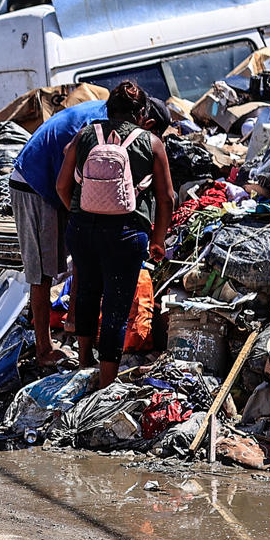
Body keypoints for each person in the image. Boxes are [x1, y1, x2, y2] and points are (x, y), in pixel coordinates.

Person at [11, 95, 174, 367]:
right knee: (42, 272)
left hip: (57, 184)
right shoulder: (99, 127)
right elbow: (72, 159)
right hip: (35, 182)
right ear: (145, 121)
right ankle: (43, 350)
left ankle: (76, 328)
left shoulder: (113, 118)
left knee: (82, 256)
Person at [54, 81, 173, 390]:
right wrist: (158, 240)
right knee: (117, 308)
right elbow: (167, 197)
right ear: (143, 112)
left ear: (107, 109)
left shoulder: (84, 136)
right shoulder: (151, 143)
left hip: (82, 230)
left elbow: (61, 186)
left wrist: (79, 214)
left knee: (87, 293)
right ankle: (106, 385)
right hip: (126, 234)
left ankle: (84, 362)